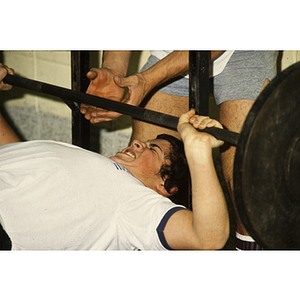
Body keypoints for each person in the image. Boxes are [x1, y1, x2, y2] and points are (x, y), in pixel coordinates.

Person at [0, 64, 229, 250]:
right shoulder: (96, 172)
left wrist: (197, 150)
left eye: (153, 149)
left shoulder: (138, 204)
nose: (139, 143)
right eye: (147, 143)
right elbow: (13, 155)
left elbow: (208, 238)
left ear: (166, 187)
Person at [80, 50, 279, 250]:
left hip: (242, 51)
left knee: (249, 195)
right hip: (168, 52)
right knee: (137, 180)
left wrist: (146, 80)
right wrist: (114, 71)